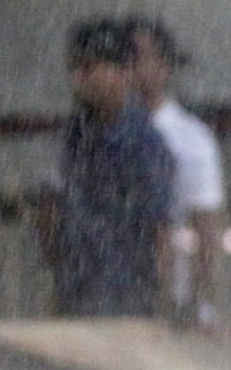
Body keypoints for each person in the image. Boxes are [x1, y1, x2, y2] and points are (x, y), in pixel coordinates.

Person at [33, 19, 176, 318]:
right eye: (75, 69)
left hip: (127, 296)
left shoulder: (143, 144)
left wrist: (163, 303)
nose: (79, 79)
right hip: (76, 292)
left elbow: (159, 231)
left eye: (89, 68)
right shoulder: (72, 136)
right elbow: (50, 204)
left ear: (122, 73)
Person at [126, 16, 226, 327]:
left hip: (168, 302)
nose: (131, 66)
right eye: (124, 56)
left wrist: (201, 302)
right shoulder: (91, 133)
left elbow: (207, 229)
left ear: (164, 65)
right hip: (107, 296)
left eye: (140, 56)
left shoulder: (190, 137)